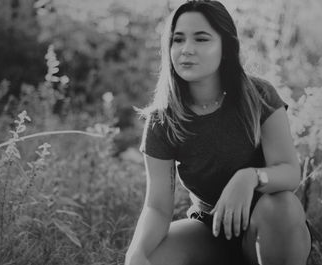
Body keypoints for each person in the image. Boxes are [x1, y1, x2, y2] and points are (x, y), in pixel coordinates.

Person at [125, 1, 311, 264]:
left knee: (282, 206)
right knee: (152, 256)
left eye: (201, 39)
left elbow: (290, 172)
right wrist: (136, 254)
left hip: (270, 228)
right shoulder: (162, 119)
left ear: (225, 47)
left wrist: (249, 178)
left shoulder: (259, 96)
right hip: (210, 230)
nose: (186, 49)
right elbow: (157, 207)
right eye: (178, 40)